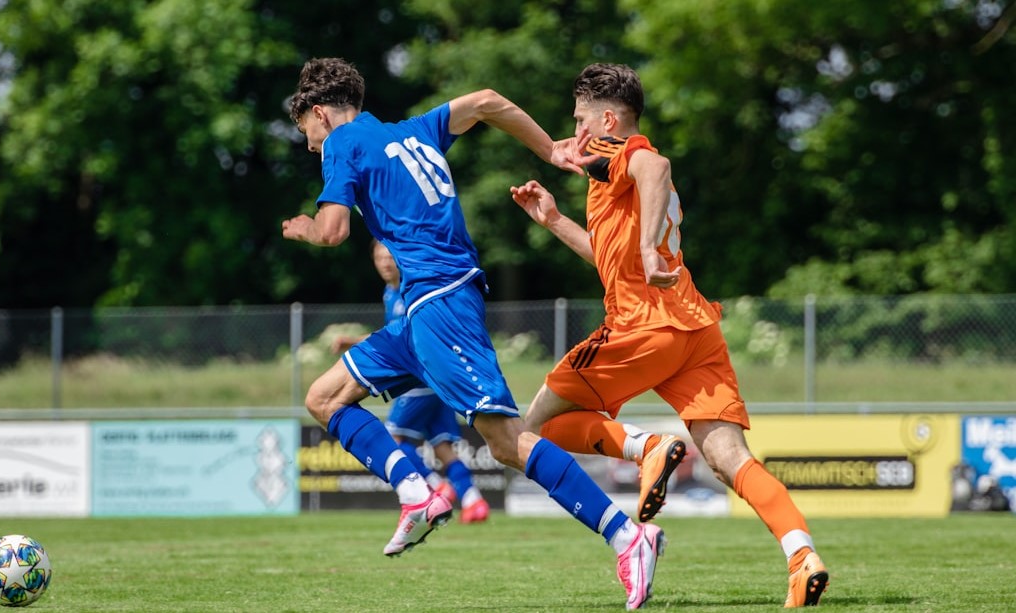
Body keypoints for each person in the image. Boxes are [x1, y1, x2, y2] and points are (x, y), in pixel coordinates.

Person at [282, 57, 662, 610]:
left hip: (440, 303)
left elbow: (335, 230)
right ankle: (417, 492)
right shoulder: (413, 131)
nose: (315, 149)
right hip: (418, 312)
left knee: (505, 443)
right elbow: (486, 99)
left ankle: (629, 535)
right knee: (324, 397)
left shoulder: (344, 144)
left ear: (321, 113)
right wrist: (549, 150)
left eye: (309, 138)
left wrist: (305, 230)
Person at [509, 62, 830, 608]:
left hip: (643, 325)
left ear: (608, 119)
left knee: (530, 427)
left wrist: (647, 247)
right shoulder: (607, 174)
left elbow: (656, 167)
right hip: (694, 328)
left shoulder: (624, 152)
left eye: (581, 119)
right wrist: (555, 221)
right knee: (731, 459)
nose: (576, 132)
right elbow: (610, 260)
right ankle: (802, 555)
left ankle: (646, 447)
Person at [331, 239, 491, 524]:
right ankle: (473, 500)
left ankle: (433, 487)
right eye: (379, 257)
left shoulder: (410, 289)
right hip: (437, 380)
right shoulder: (388, 293)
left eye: (389, 256)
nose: (384, 262)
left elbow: (405, 339)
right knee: (442, 446)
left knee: (393, 438)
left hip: (418, 378)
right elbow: (391, 336)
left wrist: (351, 342)